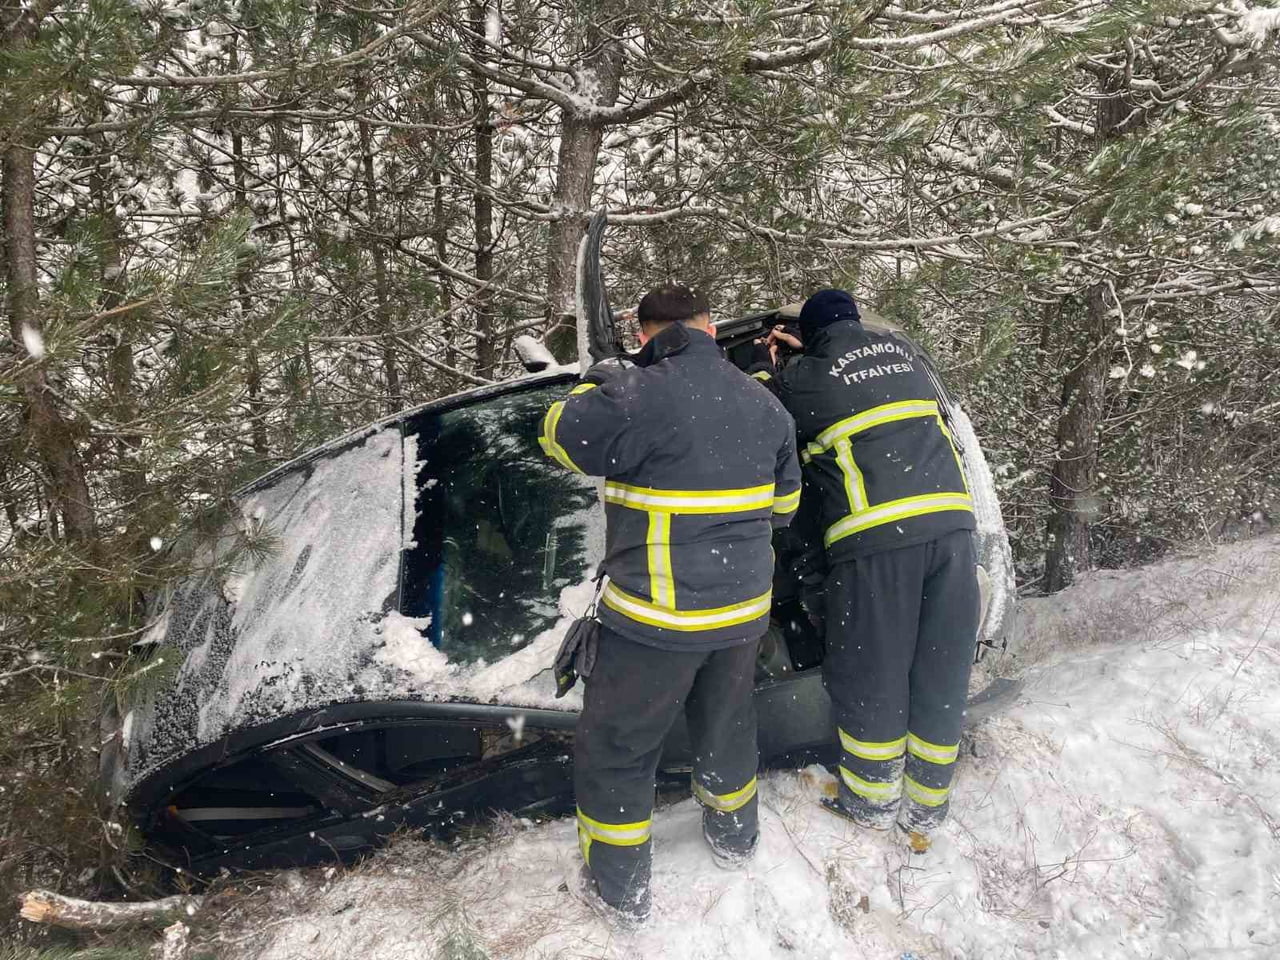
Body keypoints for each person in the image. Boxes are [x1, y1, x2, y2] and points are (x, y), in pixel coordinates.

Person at [538, 284, 801, 924]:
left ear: (643, 332)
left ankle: (619, 890)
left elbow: (557, 438)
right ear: (710, 328)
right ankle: (735, 837)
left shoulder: (635, 394)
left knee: (619, 748)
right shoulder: (766, 405)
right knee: (727, 724)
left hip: (657, 618)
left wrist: (591, 380)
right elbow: (785, 510)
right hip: (741, 615)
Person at [751, 289, 979, 849]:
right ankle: (927, 807)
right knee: (939, 670)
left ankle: (872, 799)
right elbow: (856, 374)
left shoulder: (805, 378)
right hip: (952, 533)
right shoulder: (906, 360)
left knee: (872, 671)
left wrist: (765, 364)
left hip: (878, 538)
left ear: (808, 333)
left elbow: (761, 413)